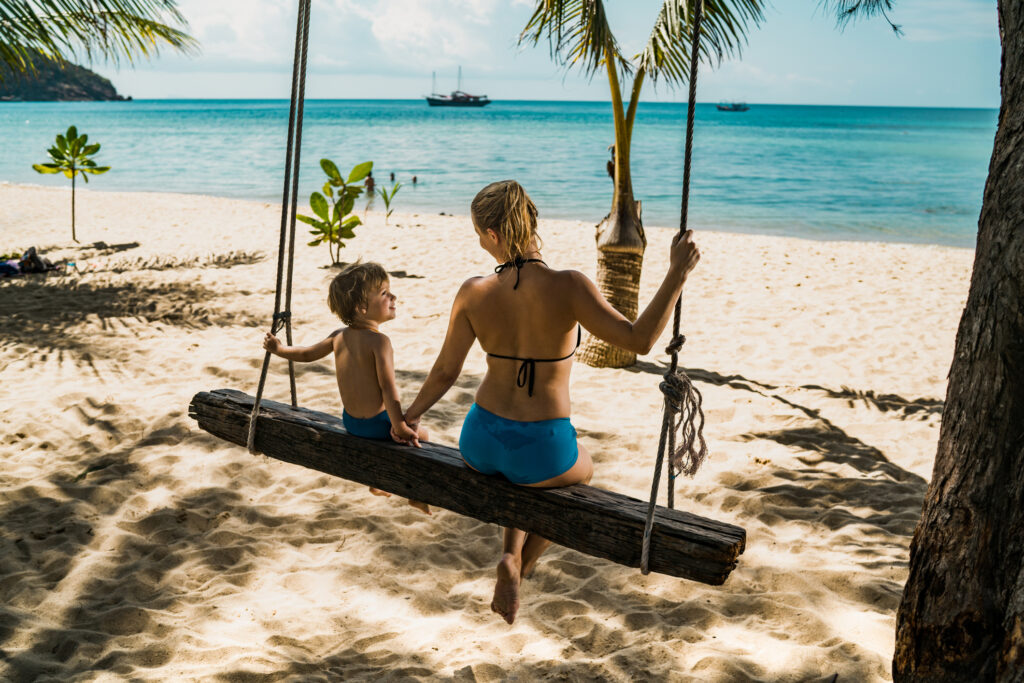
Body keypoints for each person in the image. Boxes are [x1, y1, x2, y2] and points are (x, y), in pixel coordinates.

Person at [402, 180, 701, 623]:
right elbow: (639, 340)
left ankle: (509, 553)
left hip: (479, 440)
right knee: (581, 468)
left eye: (479, 234)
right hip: (542, 448)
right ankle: (518, 566)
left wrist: (410, 416)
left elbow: (446, 371)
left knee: (518, 474)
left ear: (494, 235)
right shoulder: (570, 287)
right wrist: (677, 272)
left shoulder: (473, 290)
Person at [263, 261, 430, 514]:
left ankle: (378, 483)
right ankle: (415, 494)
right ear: (362, 307)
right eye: (384, 293)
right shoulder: (380, 342)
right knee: (422, 436)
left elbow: (307, 354)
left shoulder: (338, 335)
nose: (393, 296)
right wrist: (399, 425)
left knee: (400, 433)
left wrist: (280, 350)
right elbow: (388, 388)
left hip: (351, 423)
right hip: (377, 425)